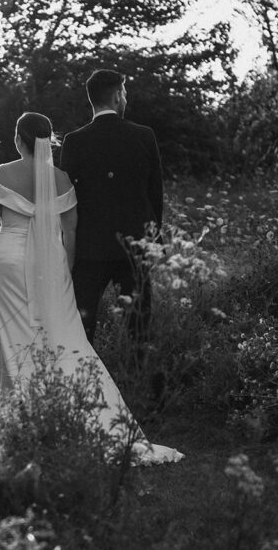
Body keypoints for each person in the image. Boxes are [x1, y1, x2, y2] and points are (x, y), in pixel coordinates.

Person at [0, 112, 182, 466]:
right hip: (52, 262)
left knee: (13, 333)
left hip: (8, 260)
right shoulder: (60, 180)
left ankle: (18, 415)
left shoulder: (2, 173)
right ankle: (71, 407)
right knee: (61, 333)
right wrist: (65, 267)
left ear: (18, 139)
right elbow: (70, 231)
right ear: (49, 141)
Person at [59, 69, 162, 349]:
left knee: (81, 326)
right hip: (135, 247)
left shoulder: (74, 141)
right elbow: (155, 195)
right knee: (140, 328)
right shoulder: (144, 136)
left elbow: (66, 200)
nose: (126, 98)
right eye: (125, 93)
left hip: (89, 249)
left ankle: (82, 383)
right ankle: (142, 387)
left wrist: (68, 245)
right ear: (117, 96)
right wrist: (154, 242)